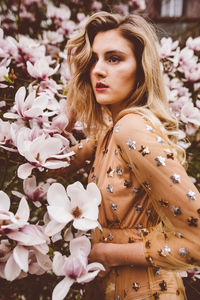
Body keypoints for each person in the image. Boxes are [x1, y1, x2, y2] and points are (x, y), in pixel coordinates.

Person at [57, 11, 200, 300]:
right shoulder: (109, 132)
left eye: (114, 58)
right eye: (93, 59)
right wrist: (68, 117)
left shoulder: (131, 128)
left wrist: (108, 253)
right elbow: (50, 168)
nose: (97, 69)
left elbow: (196, 240)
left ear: (141, 69)